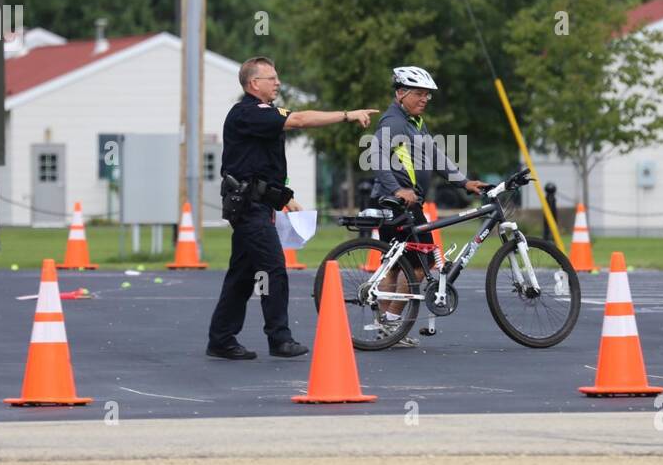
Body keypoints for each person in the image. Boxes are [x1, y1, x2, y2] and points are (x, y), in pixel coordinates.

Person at [206, 56, 378, 360]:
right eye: (271, 78)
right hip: (248, 208)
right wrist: (348, 115)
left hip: (256, 204)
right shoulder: (249, 112)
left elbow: (258, 168)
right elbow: (299, 119)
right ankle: (279, 339)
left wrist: (283, 199)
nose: (278, 83)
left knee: (242, 275)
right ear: (253, 83)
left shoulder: (265, 112)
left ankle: (221, 338)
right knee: (273, 268)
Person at [369, 66, 486, 345]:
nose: (425, 99)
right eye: (419, 94)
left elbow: (436, 157)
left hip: (400, 203)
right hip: (399, 204)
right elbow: (375, 156)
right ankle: (392, 325)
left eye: (427, 95)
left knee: (397, 266)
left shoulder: (414, 122)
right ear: (401, 93)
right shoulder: (394, 122)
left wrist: (464, 182)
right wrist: (398, 189)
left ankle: (384, 326)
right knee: (419, 268)